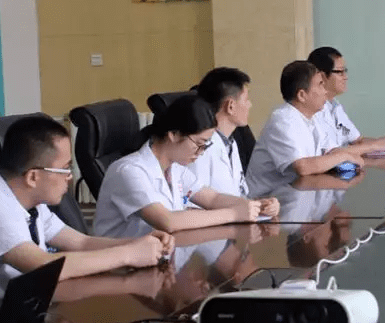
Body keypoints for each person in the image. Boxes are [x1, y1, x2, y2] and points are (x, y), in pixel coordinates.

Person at [0, 116, 174, 323]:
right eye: (65, 169)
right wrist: (128, 255)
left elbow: (81, 242)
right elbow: (44, 267)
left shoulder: (27, 201)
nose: (70, 178)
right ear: (33, 176)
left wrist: (141, 243)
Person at [94, 95, 274, 238]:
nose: (200, 152)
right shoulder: (129, 171)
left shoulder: (174, 169)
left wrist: (256, 206)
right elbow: (167, 221)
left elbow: (213, 199)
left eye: (205, 146)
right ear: (173, 134)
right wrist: (235, 214)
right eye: (199, 144)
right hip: (119, 265)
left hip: (156, 256)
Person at [246, 60, 366, 197]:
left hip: (298, 195)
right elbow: (303, 167)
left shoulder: (312, 117)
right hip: (266, 201)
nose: (325, 91)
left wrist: (346, 156)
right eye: (320, 85)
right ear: (302, 95)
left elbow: (331, 150)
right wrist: (345, 156)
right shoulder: (283, 120)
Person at [192, 68, 278, 213]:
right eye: (246, 99)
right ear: (230, 106)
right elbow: (193, 205)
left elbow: (239, 194)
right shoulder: (200, 148)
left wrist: (261, 205)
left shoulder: (230, 141)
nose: (250, 105)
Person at [307, 46, 385, 153]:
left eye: (345, 71)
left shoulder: (335, 106)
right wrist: (374, 145)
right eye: (340, 72)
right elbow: (332, 154)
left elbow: (357, 141)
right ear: (322, 76)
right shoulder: (313, 110)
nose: (345, 77)